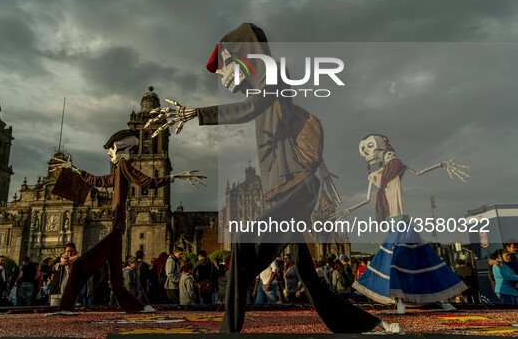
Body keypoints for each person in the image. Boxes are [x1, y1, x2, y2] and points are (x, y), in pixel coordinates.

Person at [147, 23, 395, 334]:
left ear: (240, 57)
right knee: (306, 273)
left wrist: (196, 113)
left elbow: (249, 109)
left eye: (222, 69)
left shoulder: (271, 78)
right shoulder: (261, 84)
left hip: (299, 187)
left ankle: (229, 331)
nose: (222, 79)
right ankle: (369, 325)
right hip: (286, 191)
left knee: (242, 245)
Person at [51, 130, 204, 313]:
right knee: (116, 282)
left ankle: (66, 306)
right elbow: (96, 180)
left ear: (121, 148)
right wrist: (74, 169)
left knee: (79, 265)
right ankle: (141, 307)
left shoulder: (123, 165)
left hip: (116, 228)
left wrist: (173, 177)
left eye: (112, 149)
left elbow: (147, 182)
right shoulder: (117, 172)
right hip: (119, 227)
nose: (109, 153)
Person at [341, 134, 467, 314]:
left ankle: (424, 298)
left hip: (401, 220)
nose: (367, 154)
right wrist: (349, 210)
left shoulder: (395, 165)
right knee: (416, 258)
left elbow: (419, 172)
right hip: (395, 220)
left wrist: (441, 165)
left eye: (369, 147)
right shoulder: (378, 175)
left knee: (401, 258)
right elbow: (368, 199)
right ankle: (427, 298)